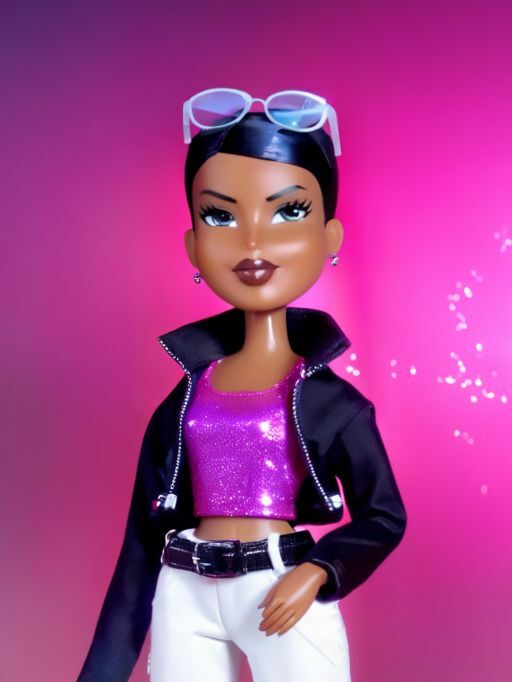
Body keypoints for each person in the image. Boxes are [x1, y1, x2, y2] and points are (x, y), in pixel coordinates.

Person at [77, 89, 407, 682]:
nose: (252, 243)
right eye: (220, 217)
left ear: (330, 237)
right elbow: (140, 543)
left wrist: (320, 570)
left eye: (288, 211)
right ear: (193, 246)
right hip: (184, 590)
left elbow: (383, 515)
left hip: (281, 586)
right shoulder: (183, 401)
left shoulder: (335, 405)